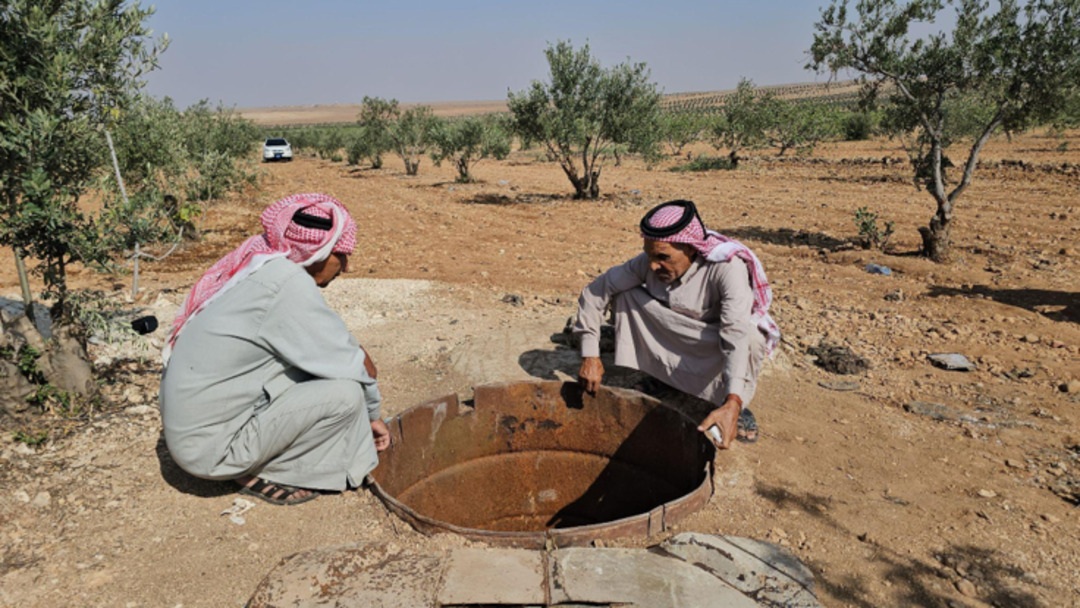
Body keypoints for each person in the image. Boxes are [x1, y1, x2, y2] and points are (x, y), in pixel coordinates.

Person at [159, 193, 389, 505]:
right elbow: (356, 363)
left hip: (193, 432)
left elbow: (335, 346)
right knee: (347, 397)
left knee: (310, 370)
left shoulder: (259, 263)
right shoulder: (286, 284)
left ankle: (255, 454)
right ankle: (265, 468)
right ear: (319, 251)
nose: (346, 267)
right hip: (210, 452)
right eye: (341, 255)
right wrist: (371, 416)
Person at [574, 200, 779, 449]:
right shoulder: (648, 263)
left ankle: (734, 404)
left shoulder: (726, 269)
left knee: (750, 337)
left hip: (713, 342)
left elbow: (734, 334)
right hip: (673, 334)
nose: (652, 266)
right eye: (649, 255)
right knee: (626, 297)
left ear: (691, 249)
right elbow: (595, 292)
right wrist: (590, 355)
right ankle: (664, 379)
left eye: (663, 257)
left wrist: (733, 400)